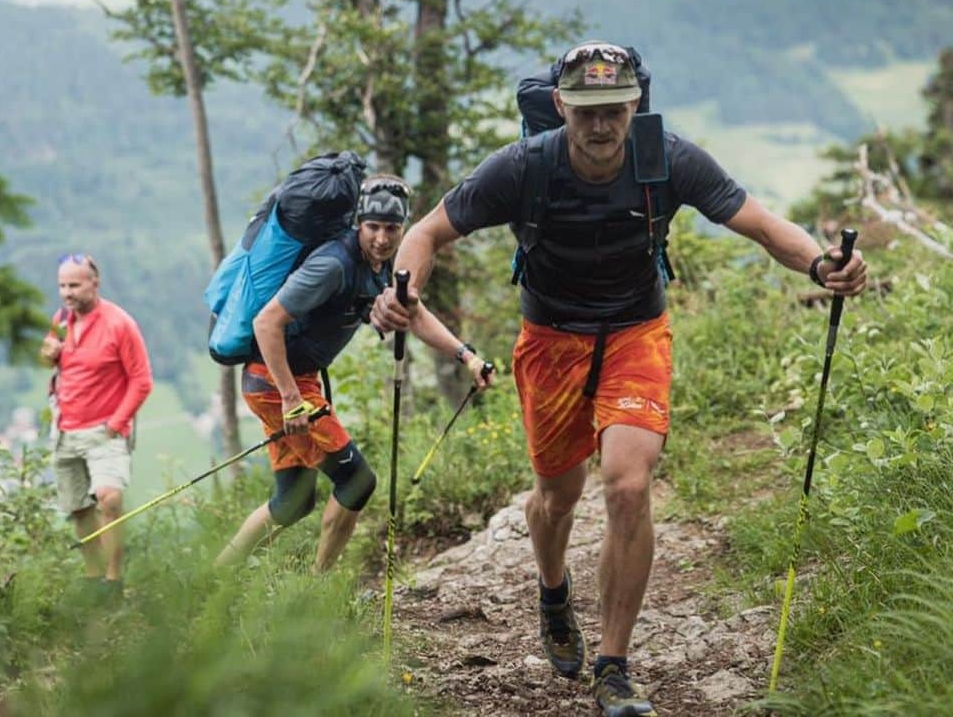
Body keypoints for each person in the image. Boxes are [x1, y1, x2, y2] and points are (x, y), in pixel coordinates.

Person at [371, 41, 867, 716]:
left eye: (613, 109)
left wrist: (819, 266)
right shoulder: (523, 167)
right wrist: (404, 292)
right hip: (549, 342)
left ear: (635, 104)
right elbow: (427, 232)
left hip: (637, 333)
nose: (600, 125)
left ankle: (613, 665)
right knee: (555, 498)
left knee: (629, 485)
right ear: (560, 107)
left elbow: (759, 223)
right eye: (585, 112)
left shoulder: (669, 160)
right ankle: (553, 591)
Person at [217, 174, 493, 572]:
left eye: (392, 228)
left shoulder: (378, 265)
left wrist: (466, 356)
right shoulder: (333, 264)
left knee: (293, 501)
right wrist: (292, 400)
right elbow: (266, 323)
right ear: (358, 223)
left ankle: (215, 579)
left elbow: (412, 312)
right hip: (278, 383)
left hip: (288, 381)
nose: (382, 238)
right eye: (374, 227)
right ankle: (318, 590)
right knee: (358, 481)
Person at [39, 253, 153, 599]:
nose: (67, 292)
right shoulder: (61, 319)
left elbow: (141, 380)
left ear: (94, 283)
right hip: (65, 428)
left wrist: (117, 425)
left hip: (106, 429)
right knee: (78, 508)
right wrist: (48, 353)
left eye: (74, 284)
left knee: (110, 497)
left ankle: (114, 582)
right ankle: (93, 579)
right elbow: (47, 360)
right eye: (62, 285)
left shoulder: (120, 323)